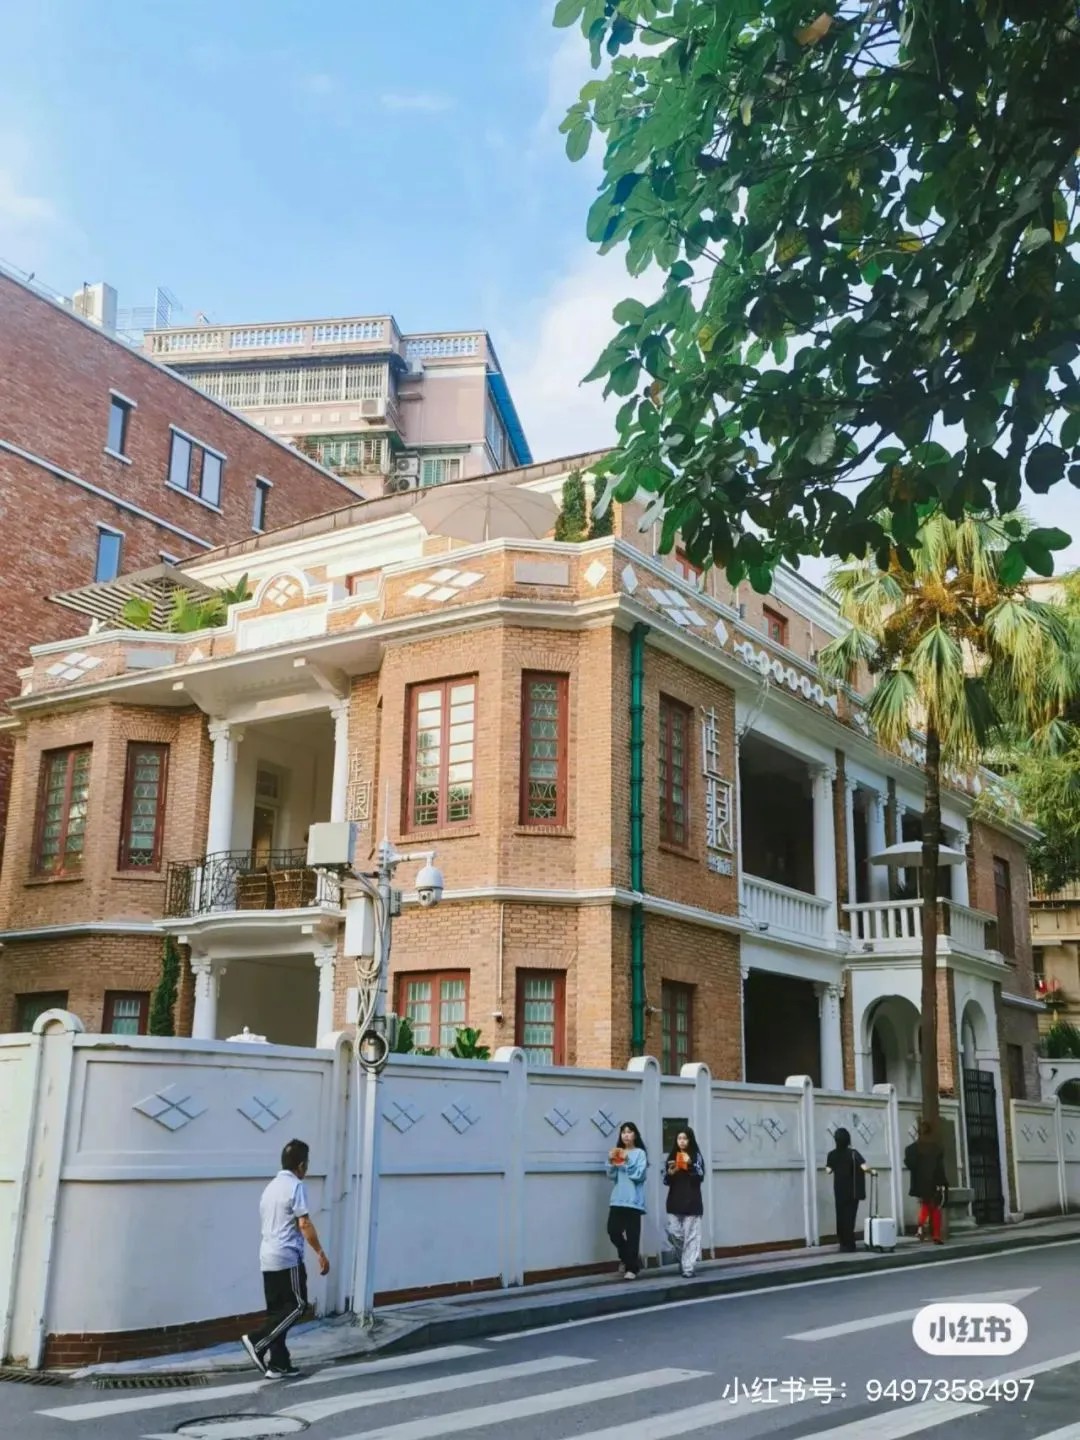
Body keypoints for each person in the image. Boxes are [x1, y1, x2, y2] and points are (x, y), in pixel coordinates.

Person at [241, 1138, 330, 1378]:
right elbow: (304, 1223)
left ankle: (279, 1363)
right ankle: (257, 1341)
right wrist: (320, 1252)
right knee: (298, 1306)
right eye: (307, 1164)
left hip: (267, 1256)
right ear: (301, 1165)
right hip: (287, 1257)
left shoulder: (270, 1188)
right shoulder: (296, 1186)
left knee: (277, 1313)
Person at [606, 1121, 647, 1279]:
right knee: (613, 1231)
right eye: (623, 1132)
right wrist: (610, 1161)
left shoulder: (640, 1153)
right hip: (618, 1198)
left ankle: (631, 1269)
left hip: (633, 1200)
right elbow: (611, 1176)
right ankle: (629, 1260)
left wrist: (627, 1161)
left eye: (629, 1132)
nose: (626, 1135)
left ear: (635, 1135)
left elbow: (640, 1176)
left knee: (632, 1235)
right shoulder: (618, 1151)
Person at [663, 1127, 705, 1279]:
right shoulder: (672, 1156)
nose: (682, 1141)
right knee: (675, 1233)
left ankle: (688, 1267)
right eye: (679, 1138)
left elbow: (700, 1176)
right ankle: (683, 1259)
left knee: (691, 1236)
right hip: (674, 1201)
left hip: (692, 1201)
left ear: (690, 1140)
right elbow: (666, 1180)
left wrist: (690, 1164)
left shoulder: (696, 1156)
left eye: (685, 1138)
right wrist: (670, 1173)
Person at [824, 1126, 871, 1253]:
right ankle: (850, 1243)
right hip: (852, 1191)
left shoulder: (832, 1154)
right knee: (850, 1216)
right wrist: (872, 1172)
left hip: (839, 1190)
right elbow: (864, 1167)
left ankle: (842, 1242)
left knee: (840, 1215)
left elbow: (828, 1170)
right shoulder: (853, 1153)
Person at [905, 1119, 949, 1245]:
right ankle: (936, 1235)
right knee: (935, 1208)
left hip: (919, 1183)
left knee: (925, 1204)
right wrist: (943, 1183)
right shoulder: (936, 1148)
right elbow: (939, 1168)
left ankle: (920, 1228)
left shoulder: (911, 1149)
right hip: (934, 1182)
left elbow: (910, 1164)